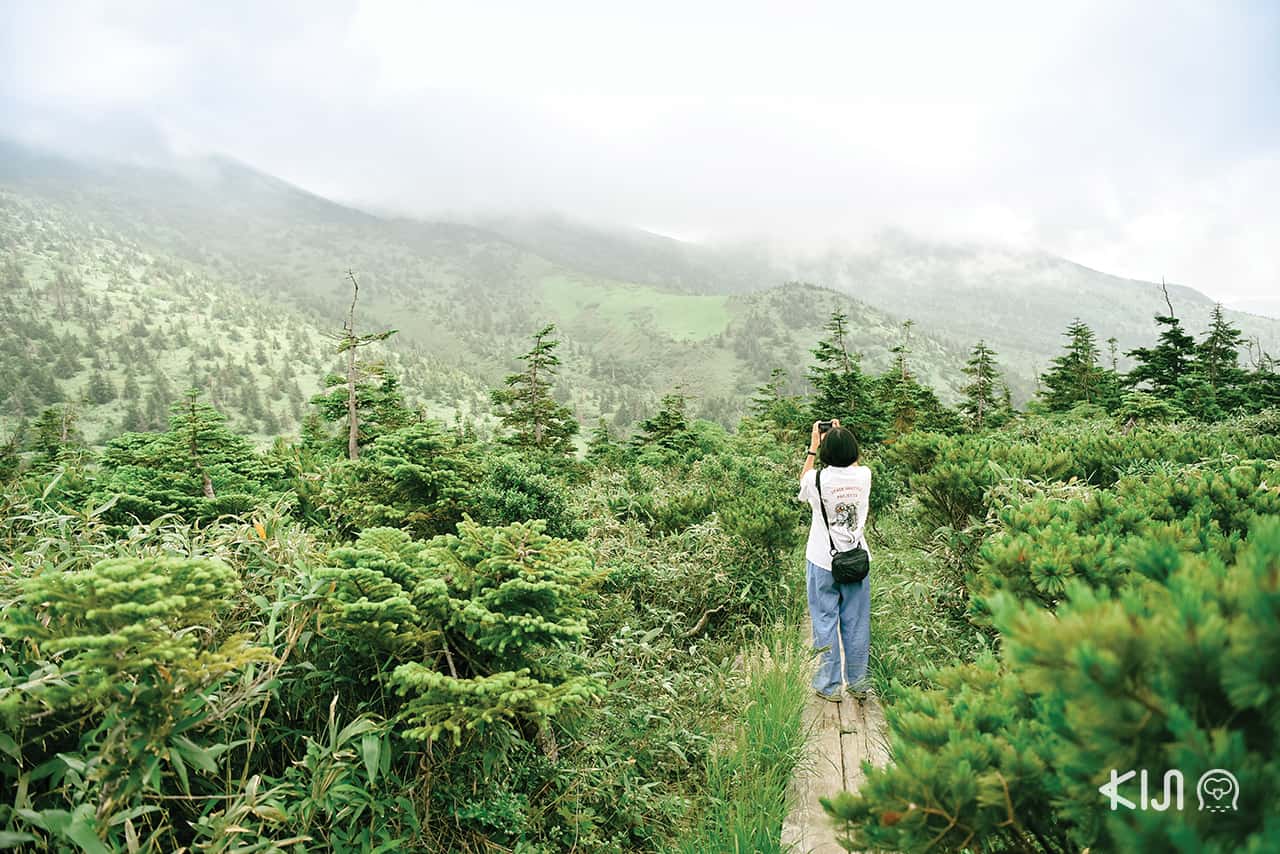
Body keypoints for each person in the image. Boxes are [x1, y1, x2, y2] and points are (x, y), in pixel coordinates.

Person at [797, 419, 872, 702]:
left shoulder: (815, 480)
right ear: (854, 452)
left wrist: (815, 446)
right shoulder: (864, 475)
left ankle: (829, 686)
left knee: (824, 620)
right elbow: (850, 466)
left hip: (821, 560)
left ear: (825, 450)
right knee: (856, 622)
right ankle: (859, 683)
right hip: (856, 561)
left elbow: (803, 482)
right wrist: (839, 436)